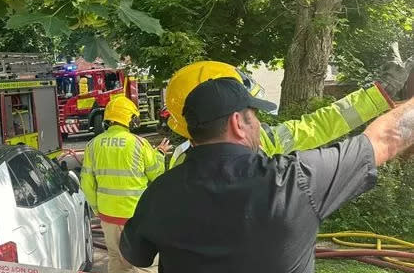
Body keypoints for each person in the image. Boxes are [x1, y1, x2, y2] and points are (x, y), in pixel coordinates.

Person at [119, 74, 414, 273]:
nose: (260, 124)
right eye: (255, 116)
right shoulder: (297, 180)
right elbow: (387, 139)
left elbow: (136, 254)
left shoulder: (160, 192)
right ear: (238, 122)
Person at [164, 60, 403, 167]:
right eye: (252, 111)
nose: (258, 120)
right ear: (236, 121)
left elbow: (319, 125)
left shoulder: (178, 170)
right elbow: (320, 126)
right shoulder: (267, 146)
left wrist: (377, 96)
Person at [80, 95, 170, 273]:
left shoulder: (93, 145)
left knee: (117, 260)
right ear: (129, 119)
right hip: (138, 217)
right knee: (146, 265)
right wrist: (160, 153)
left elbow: (87, 183)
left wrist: (98, 208)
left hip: (109, 217)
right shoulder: (140, 145)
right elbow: (157, 175)